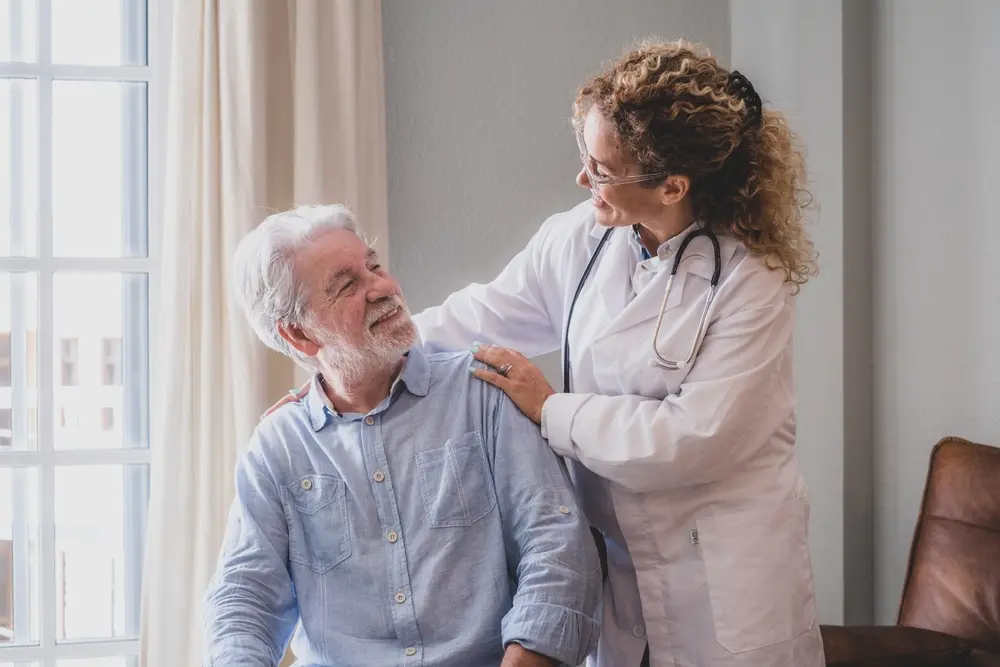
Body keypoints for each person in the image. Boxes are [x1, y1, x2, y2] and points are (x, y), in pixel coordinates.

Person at [268, 38, 825, 667]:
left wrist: (549, 408)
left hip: (726, 583)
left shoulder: (752, 279)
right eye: (585, 155)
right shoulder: (582, 237)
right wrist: (348, 366)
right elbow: (479, 314)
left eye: (603, 169)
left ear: (671, 185)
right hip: (621, 574)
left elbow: (694, 438)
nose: (582, 178)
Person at [205, 204, 602, 667]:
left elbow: (557, 547)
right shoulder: (277, 448)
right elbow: (242, 600)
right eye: (347, 285)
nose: (381, 287)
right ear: (299, 337)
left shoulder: (486, 395)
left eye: (373, 266)